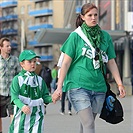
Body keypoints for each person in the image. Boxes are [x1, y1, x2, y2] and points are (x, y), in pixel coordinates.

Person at [53, 3, 126, 133]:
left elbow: (111, 62)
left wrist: (120, 84)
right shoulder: (76, 36)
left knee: (87, 124)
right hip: (78, 86)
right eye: (89, 15)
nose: (93, 18)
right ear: (82, 17)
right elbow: (65, 63)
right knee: (89, 124)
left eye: (95, 15)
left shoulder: (105, 37)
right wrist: (59, 87)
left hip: (99, 87)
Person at [8, 50, 58, 133]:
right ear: (22, 64)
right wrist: (22, 106)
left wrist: (52, 98)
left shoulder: (40, 80)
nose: (33, 64)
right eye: (29, 62)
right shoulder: (17, 79)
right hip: (21, 117)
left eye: (34, 61)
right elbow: (14, 98)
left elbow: (45, 96)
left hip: (37, 116)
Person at [0, 37, 21, 133]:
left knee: (14, 115)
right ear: (1, 47)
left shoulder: (15, 60)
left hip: (12, 94)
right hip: (0, 93)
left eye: (10, 45)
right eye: (7, 46)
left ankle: (13, 131)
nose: (9, 47)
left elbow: (19, 75)